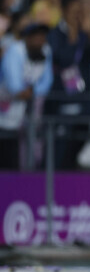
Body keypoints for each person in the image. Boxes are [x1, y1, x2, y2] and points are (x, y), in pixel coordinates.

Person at [0, 23, 53, 169]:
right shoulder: (15, 50)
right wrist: (23, 91)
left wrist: (34, 91)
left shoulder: (46, 50)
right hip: (7, 106)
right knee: (8, 147)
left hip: (31, 104)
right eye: (37, 37)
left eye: (43, 37)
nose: (41, 40)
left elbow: (47, 80)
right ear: (28, 38)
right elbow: (13, 83)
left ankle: (28, 172)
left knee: (31, 142)